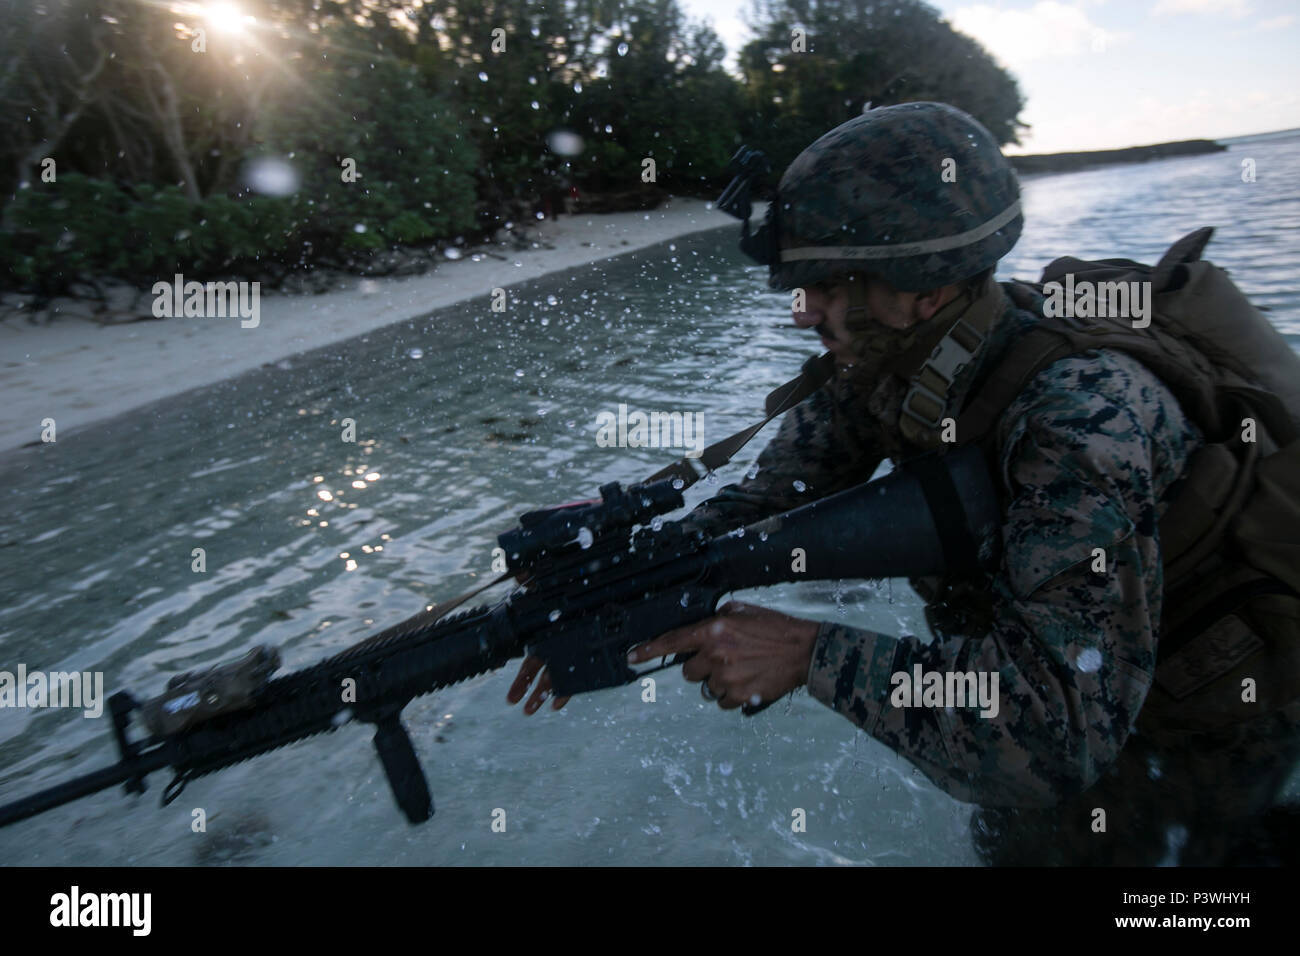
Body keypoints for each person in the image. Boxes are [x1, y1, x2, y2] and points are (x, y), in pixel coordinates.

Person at [507, 102, 1300, 865]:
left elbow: (1056, 738)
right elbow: (768, 505)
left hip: (1203, 721)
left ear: (923, 288)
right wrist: (609, 588)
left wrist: (810, 656)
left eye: (827, 285)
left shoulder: (1083, 420)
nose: (801, 313)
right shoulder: (889, 363)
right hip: (1060, 679)